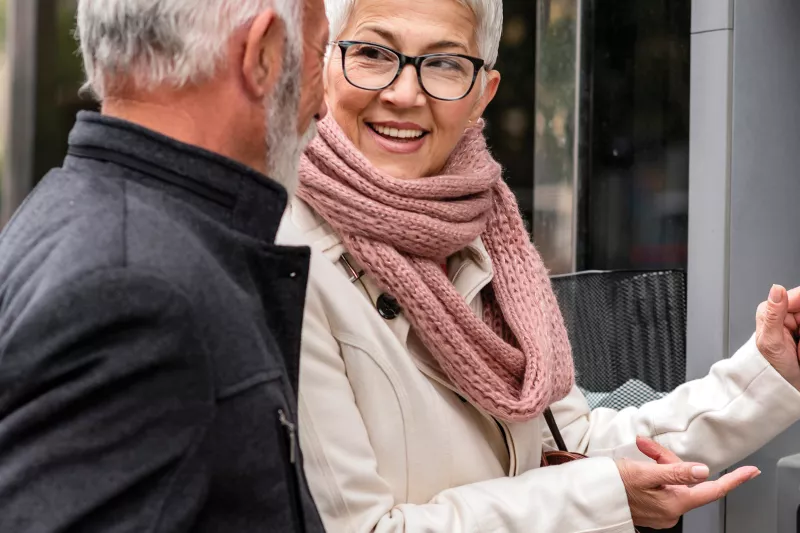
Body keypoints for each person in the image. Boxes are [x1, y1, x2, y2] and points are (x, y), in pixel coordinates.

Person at [276, 0, 800, 531]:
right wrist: (603, 499)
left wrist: (765, 374)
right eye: (371, 53)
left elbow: (572, 445)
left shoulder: (485, 237)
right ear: (321, 62)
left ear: (484, 94)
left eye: (444, 63)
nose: (405, 93)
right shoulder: (282, 258)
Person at [0, 0, 329, 531]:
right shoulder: (137, 292)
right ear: (262, 56)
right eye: (319, 52)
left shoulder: (95, 223)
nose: (325, 105)